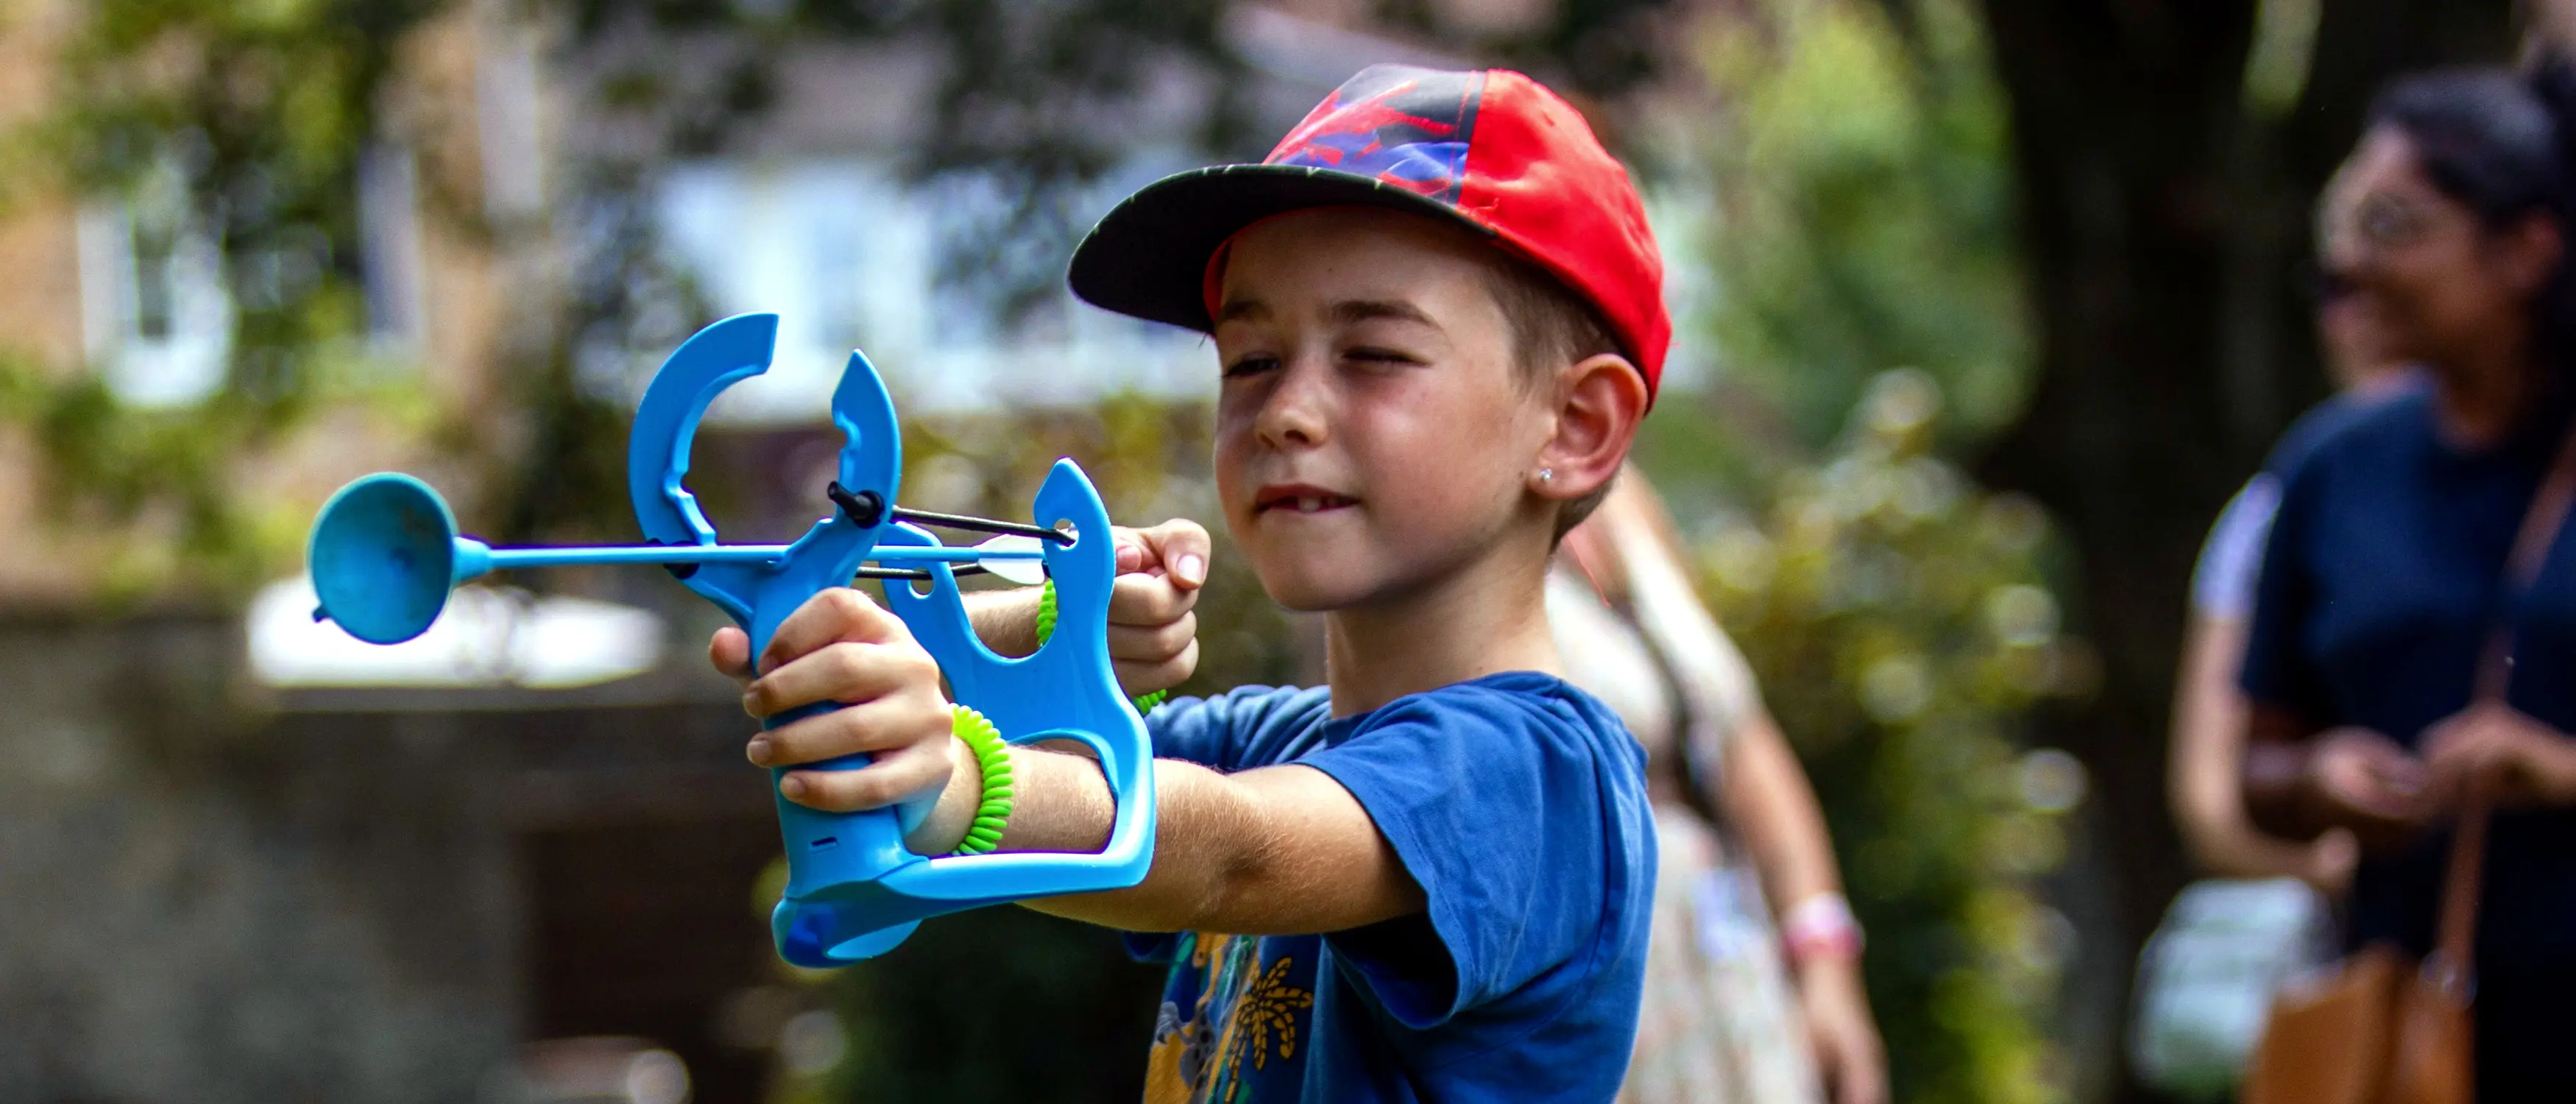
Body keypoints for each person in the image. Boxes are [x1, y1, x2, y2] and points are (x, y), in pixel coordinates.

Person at [710, 65, 1664, 1102]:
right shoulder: (1271, 745)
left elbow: (1226, 849)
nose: (1286, 410)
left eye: (1376, 354)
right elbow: (1075, 775)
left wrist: (948, 780)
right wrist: (1014, 631)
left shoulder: (1538, 774)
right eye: (1250, 359)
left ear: (1575, 428)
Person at [2240, 58, 2576, 1100]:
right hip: (2420, 1039)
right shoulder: (2333, 468)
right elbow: (2257, 768)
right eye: (2347, 229)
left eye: (2394, 229)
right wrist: (2316, 783)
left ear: (2525, 250)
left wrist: (2557, 771)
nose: (2353, 266)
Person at [1550, 467, 1886, 1104]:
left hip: (1732, 953)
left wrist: (1823, 955)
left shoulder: (1621, 497)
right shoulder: (1442, 527)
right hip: (1603, 975)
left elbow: (1737, 735)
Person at [2167, 249, 2413, 889]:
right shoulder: (2281, 505)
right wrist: (2325, 849)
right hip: (2352, 928)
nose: (2366, 313)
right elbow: (2209, 799)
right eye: (2336, 288)